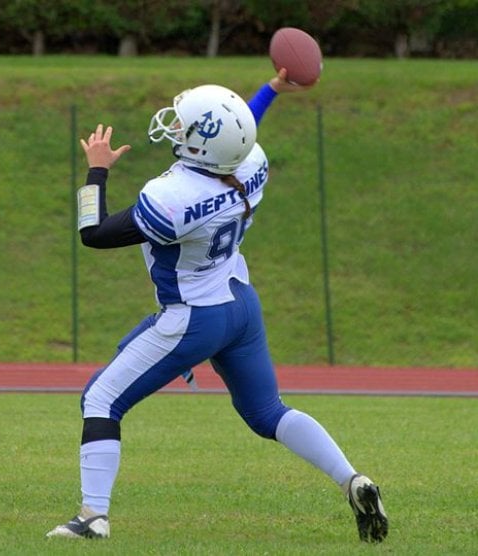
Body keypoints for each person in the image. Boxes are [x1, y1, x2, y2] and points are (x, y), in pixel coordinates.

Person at [46, 70, 388, 543]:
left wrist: (97, 171)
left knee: (101, 399)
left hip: (192, 317)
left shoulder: (172, 198)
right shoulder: (251, 164)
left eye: (186, 127)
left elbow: (94, 234)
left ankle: (92, 517)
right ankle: (353, 479)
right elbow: (238, 132)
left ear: (200, 146)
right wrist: (269, 90)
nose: (177, 129)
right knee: (268, 411)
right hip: (239, 303)